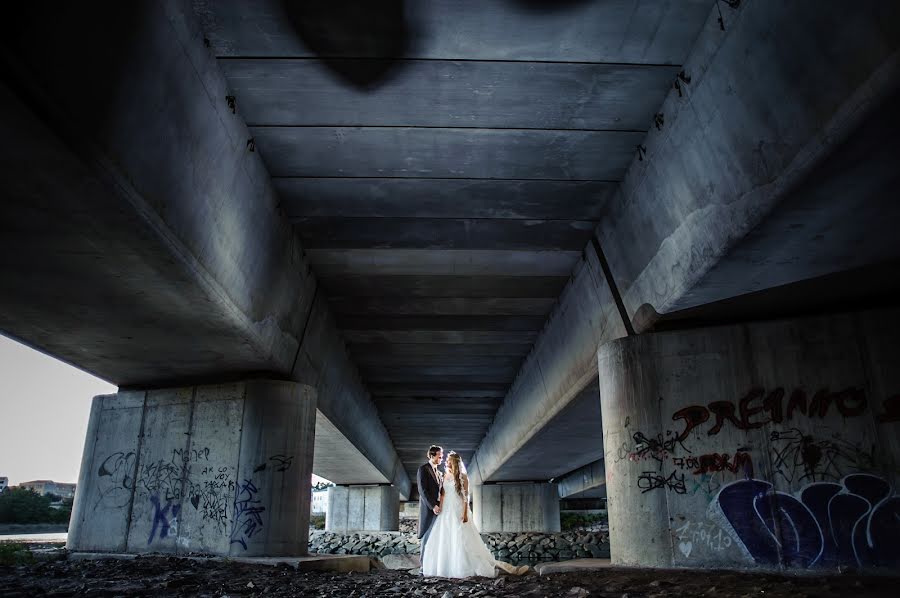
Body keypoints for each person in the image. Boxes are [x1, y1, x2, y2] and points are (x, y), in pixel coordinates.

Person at [422, 451, 527, 578]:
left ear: (454, 462)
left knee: (461, 537)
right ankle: (445, 568)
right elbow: (443, 494)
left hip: (458, 508)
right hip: (446, 511)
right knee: (446, 538)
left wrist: (465, 513)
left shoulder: (463, 477)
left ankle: (465, 568)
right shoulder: (445, 475)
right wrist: (441, 508)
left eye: (448, 460)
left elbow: (466, 497)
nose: (446, 462)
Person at [417, 445, 444, 558]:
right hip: (429, 508)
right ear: (432, 455)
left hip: (439, 508)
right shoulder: (423, 469)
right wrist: (433, 505)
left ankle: (431, 564)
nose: (441, 459)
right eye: (439, 456)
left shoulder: (439, 473)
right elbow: (422, 490)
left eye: (441, 457)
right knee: (426, 536)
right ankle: (423, 566)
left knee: (435, 536)